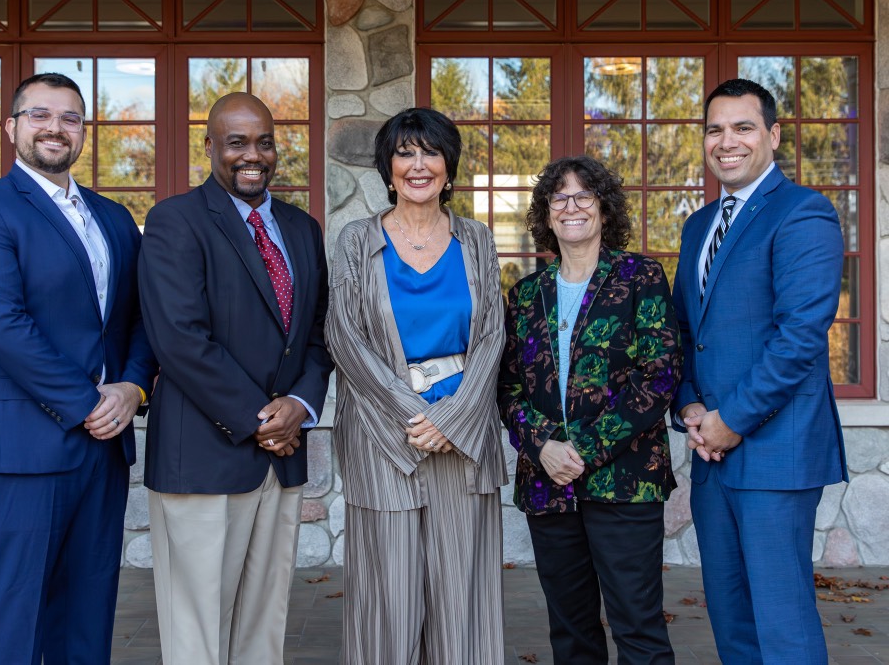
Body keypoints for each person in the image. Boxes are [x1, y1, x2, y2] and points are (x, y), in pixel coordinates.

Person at [0, 72, 157, 664]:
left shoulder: (113, 218)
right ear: (11, 127)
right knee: (12, 613)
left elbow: (139, 318)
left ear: (83, 132)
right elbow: (2, 327)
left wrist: (133, 388)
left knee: (86, 611)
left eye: (70, 118)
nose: (56, 128)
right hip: (19, 445)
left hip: (101, 446)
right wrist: (90, 403)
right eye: (40, 114)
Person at [138, 92, 333, 665]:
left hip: (280, 457)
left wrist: (299, 402)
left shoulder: (300, 227)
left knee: (263, 624)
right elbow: (179, 339)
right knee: (197, 629)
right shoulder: (176, 221)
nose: (254, 155)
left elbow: (321, 333)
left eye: (265, 141)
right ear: (209, 148)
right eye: (237, 142)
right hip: (203, 456)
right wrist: (263, 421)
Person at [672, 78, 847, 664]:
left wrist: (733, 421)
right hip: (710, 452)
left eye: (743, 127)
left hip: (775, 451)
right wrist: (692, 407)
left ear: (772, 135)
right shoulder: (698, 226)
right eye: (715, 129)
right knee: (732, 617)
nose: (728, 141)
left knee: (782, 621)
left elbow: (798, 338)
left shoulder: (803, 213)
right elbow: (688, 335)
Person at [325, 107, 507, 664]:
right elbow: (344, 337)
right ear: (388, 168)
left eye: (430, 152)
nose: (418, 164)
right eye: (405, 153)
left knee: (462, 602)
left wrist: (450, 420)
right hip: (384, 440)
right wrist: (416, 417)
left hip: (463, 440)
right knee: (389, 605)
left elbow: (493, 335)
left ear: (449, 168)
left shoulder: (476, 240)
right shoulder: (356, 240)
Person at [498, 155, 680, 664]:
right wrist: (542, 447)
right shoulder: (526, 295)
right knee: (571, 633)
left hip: (624, 481)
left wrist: (581, 446)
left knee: (638, 628)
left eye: (584, 196)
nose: (571, 207)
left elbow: (660, 374)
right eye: (559, 198)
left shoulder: (640, 276)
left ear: (604, 209)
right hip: (548, 484)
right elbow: (507, 386)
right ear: (546, 213)